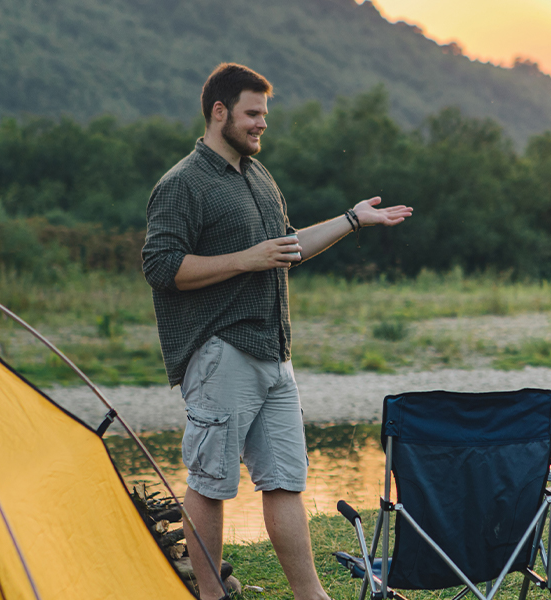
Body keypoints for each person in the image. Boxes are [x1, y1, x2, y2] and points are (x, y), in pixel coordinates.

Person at [141, 63, 412, 600]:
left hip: (274, 353)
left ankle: (312, 596)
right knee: (210, 483)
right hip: (219, 353)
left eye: (264, 113)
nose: (262, 123)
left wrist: (352, 220)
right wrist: (247, 259)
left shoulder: (258, 176)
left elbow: (287, 249)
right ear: (219, 112)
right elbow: (161, 266)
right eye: (252, 113)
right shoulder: (181, 184)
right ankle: (211, 595)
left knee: (286, 480)